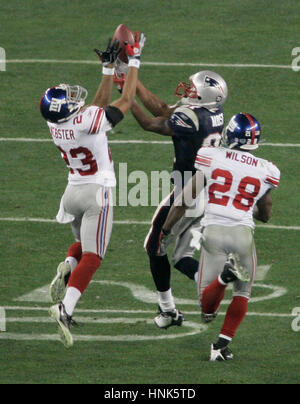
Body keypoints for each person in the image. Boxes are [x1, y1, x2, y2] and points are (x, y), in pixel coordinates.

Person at [39, 33, 146, 348]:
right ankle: (65, 308)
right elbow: (124, 101)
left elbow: (93, 109)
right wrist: (134, 60)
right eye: (69, 99)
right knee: (94, 256)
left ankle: (68, 266)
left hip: (73, 192)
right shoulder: (86, 120)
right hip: (97, 193)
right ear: (68, 109)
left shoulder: (56, 124)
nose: (75, 98)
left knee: (80, 246)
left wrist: (107, 68)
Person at [158, 112, 280, 361]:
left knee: (206, 305)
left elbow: (185, 200)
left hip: (213, 231)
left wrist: (165, 229)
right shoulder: (267, 169)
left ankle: (224, 278)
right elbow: (265, 213)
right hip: (243, 233)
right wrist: (246, 203)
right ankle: (221, 346)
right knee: (243, 293)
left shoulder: (210, 156)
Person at [114, 66, 228, 329]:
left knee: (154, 244)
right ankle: (217, 280)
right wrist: (130, 81)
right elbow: (164, 109)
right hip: (208, 192)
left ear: (204, 95)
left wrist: (126, 98)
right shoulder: (214, 112)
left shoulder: (192, 119)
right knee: (180, 258)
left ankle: (168, 311)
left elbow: (151, 122)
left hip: (188, 191)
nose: (187, 91)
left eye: (192, 89)